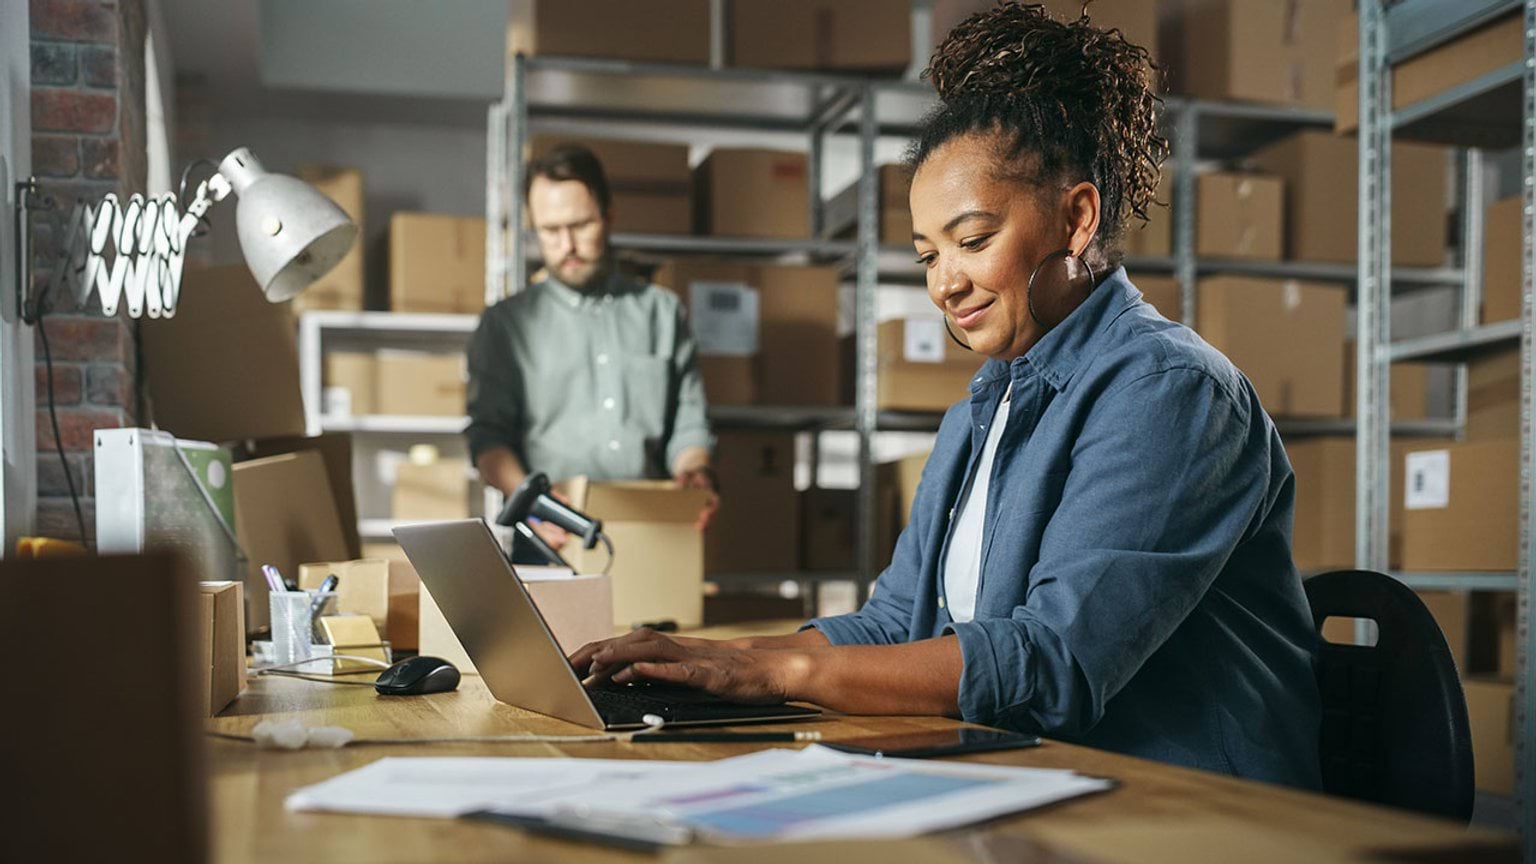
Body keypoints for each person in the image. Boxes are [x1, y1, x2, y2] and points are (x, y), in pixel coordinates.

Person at [568, 4, 1322, 789]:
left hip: (1192, 809)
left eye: (972, 240)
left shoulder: (1172, 393)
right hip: (1039, 779)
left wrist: (779, 674)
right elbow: (898, 623)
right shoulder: (983, 407)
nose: (944, 283)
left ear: (1077, 217)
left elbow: (1052, 662)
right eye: (927, 255)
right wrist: (714, 658)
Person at [466, 144, 717, 553]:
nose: (566, 245)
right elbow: (487, 439)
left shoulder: (662, 312)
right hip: (553, 538)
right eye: (550, 231)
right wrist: (534, 502)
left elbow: (689, 426)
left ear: (608, 216)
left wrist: (695, 472)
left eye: (580, 225)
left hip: (652, 533)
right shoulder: (505, 325)